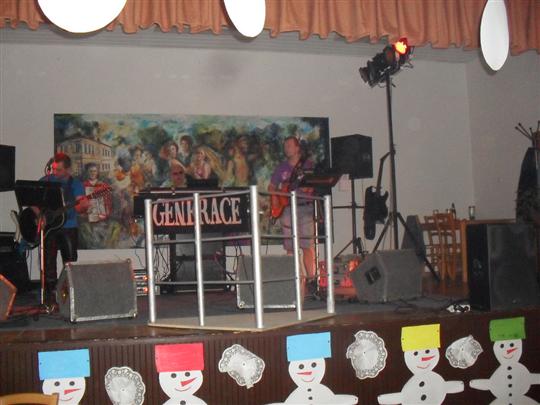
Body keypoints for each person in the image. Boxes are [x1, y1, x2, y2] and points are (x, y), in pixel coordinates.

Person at [267, 136, 316, 295]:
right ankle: (297, 281)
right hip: (287, 209)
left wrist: (309, 188)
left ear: (297, 148)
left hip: (305, 208)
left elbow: (314, 186)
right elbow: (271, 186)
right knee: (290, 247)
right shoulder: (281, 168)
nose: (286, 148)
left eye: (289, 145)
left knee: (307, 245)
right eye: (285, 146)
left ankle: (312, 281)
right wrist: (276, 200)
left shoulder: (308, 166)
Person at [39, 152, 89, 307]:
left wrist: (83, 206)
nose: (55, 172)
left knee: (70, 261)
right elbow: (34, 202)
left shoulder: (76, 184)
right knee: (48, 261)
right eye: (54, 169)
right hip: (50, 228)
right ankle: (50, 295)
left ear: (67, 169)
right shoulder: (45, 181)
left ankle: (68, 295)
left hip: (69, 226)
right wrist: (39, 217)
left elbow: (81, 207)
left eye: (59, 170)